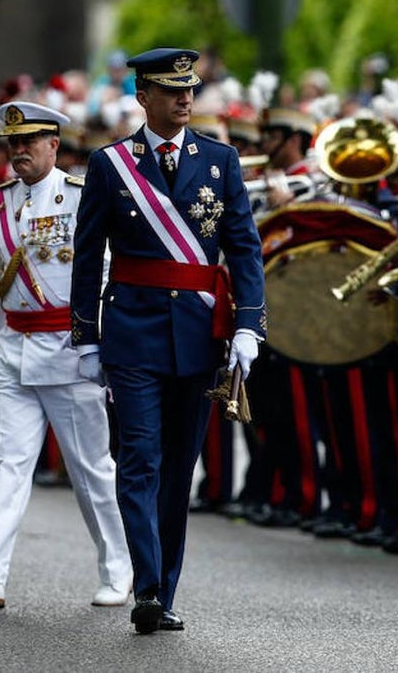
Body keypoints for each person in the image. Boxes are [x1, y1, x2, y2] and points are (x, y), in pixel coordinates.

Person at [70, 48, 265, 634]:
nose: (185, 99)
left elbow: (244, 247)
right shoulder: (111, 165)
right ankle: (148, 589)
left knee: (179, 469)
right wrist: (85, 335)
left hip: (198, 334)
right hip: (132, 332)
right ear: (143, 97)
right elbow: (86, 255)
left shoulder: (220, 160)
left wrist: (249, 325)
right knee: (140, 460)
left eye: (191, 90)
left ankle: (167, 588)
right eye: (170, 90)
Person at [0, 102, 132, 609]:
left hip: (70, 350)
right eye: (12, 144)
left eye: (30, 142)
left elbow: (105, 274)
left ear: (55, 145)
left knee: (90, 467)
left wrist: (100, 346)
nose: (19, 151)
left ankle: (119, 569)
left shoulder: (80, 197)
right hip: (13, 350)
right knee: (9, 463)